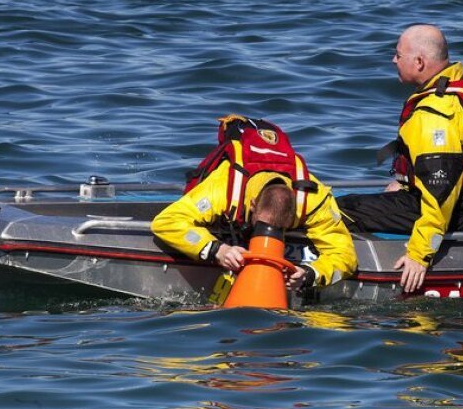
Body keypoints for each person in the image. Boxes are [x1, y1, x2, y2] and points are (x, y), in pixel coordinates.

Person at [337, 24, 463, 293]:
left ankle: (335, 269)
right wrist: (404, 185)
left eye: (398, 55)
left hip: (460, 211)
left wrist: (420, 253)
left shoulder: (434, 113)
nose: (393, 60)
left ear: (419, 62)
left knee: (339, 208)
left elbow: (441, 190)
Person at [151, 117, 357, 292]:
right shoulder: (223, 188)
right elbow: (166, 222)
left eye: (279, 229)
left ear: (295, 212)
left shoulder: (313, 197)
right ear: (251, 205)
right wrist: (216, 250)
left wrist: (312, 273)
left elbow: (345, 255)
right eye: (262, 226)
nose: (268, 234)